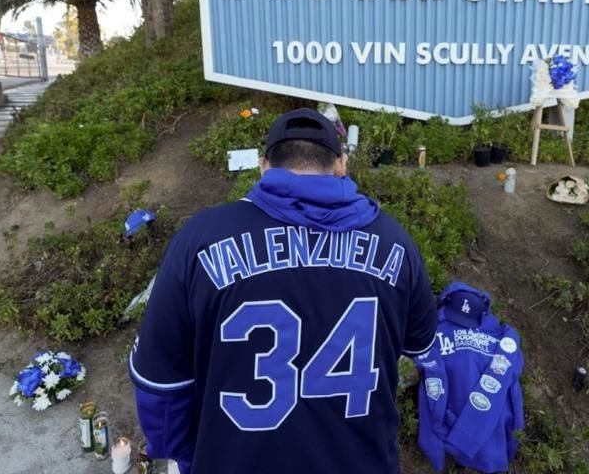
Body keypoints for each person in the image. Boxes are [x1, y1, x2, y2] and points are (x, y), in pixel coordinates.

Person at [129, 108, 438, 473]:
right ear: (341, 164)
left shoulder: (199, 239)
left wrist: (191, 455)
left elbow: (159, 385)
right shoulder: (395, 243)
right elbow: (418, 344)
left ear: (264, 166)